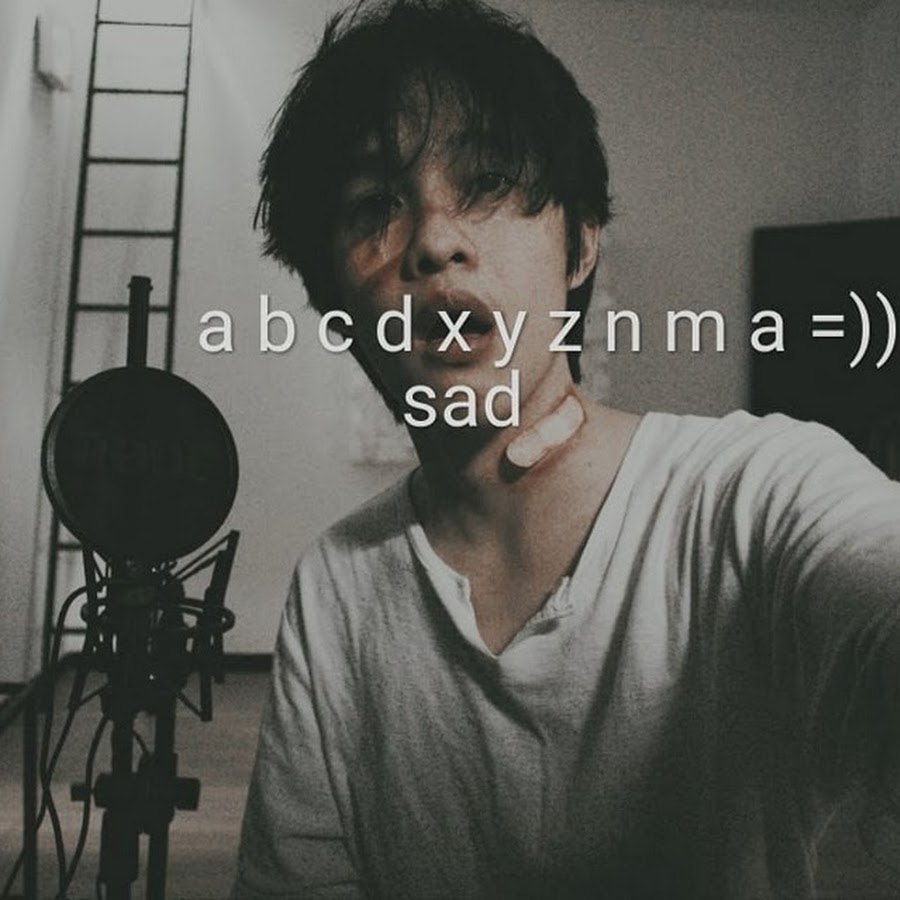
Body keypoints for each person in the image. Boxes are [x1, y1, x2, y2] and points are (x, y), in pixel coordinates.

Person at [233, 1, 900, 897]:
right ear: (332, 305)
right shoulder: (337, 587)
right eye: (374, 205)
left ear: (581, 246)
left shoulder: (749, 496)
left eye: (486, 180)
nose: (434, 241)